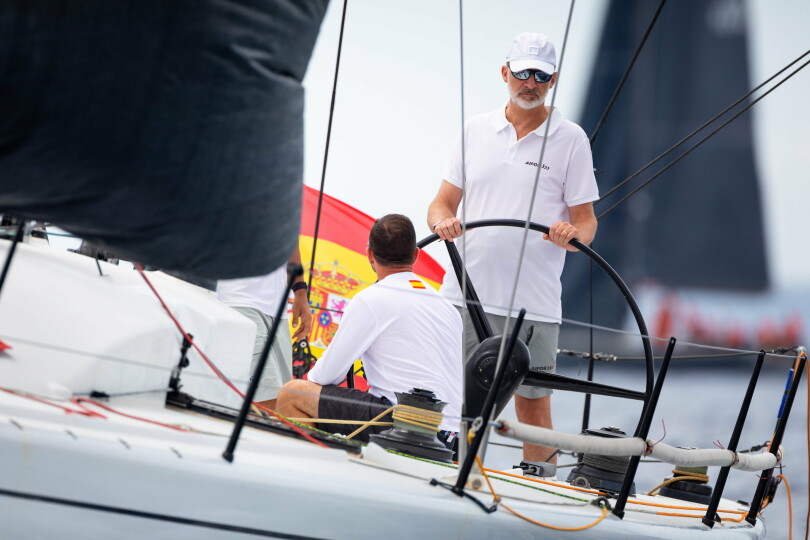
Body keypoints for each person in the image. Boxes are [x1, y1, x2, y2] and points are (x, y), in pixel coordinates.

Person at [427, 32, 599, 463]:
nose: (530, 82)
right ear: (505, 73)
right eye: (522, 72)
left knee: (533, 405)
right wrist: (441, 222)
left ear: (553, 80)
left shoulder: (572, 139)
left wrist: (573, 236)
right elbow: (441, 203)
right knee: (455, 398)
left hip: (535, 306)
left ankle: (539, 491)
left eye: (541, 75)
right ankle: (452, 480)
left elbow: (586, 221)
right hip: (466, 296)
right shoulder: (475, 130)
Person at [277, 214, 462, 444]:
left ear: (369, 254)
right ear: (415, 254)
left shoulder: (371, 299)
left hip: (405, 425)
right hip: (453, 438)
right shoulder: (448, 308)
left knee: (293, 394)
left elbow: (324, 376)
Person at [217, 248, 312, 411]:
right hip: (238, 302)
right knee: (268, 401)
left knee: (285, 397)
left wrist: (301, 295)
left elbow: (290, 245)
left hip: (277, 312)